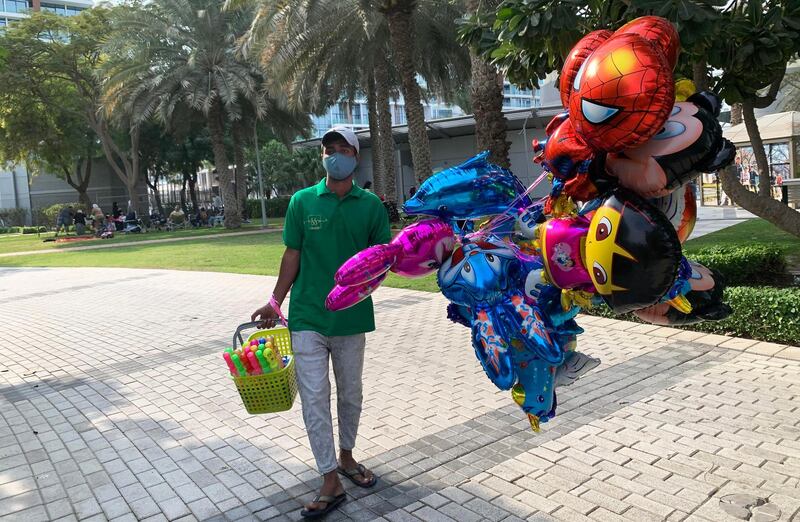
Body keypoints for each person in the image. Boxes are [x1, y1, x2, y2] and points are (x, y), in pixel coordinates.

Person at [251, 127, 390, 519]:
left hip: (351, 317)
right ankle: (329, 478)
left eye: (343, 149)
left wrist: (366, 286)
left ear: (356, 157)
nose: (335, 155)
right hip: (307, 316)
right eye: (329, 150)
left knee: (350, 394)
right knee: (314, 398)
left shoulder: (371, 207)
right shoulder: (302, 201)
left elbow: (382, 261)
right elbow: (292, 254)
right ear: (323, 157)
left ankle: (347, 457)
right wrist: (275, 301)